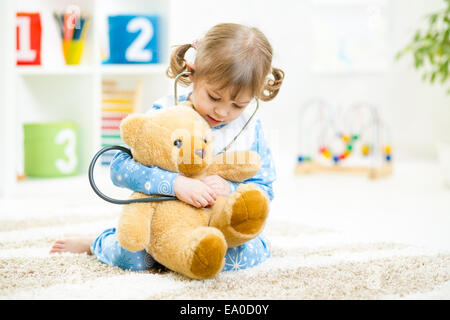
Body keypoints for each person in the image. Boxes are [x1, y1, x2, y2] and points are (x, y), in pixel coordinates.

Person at [50, 23, 284, 272]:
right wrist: (175, 184)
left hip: (214, 223)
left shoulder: (250, 129)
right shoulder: (165, 114)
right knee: (134, 259)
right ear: (192, 73)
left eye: (238, 105)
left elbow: (264, 189)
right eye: (214, 97)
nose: (223, 111)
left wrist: (231, 188)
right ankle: (98, 242)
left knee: (244, 254)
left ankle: (188, 255)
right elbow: (119, 168)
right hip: (164, 223)